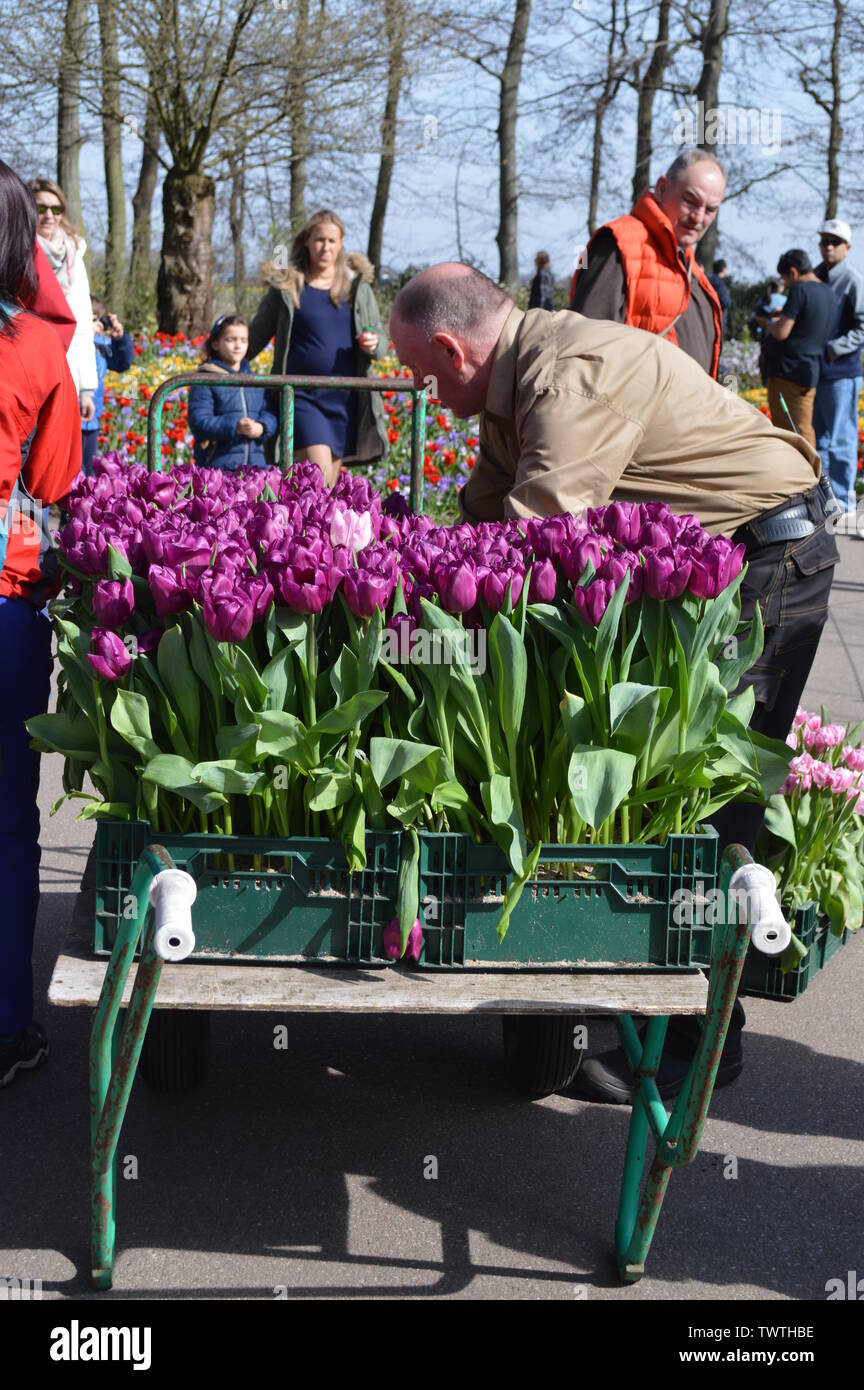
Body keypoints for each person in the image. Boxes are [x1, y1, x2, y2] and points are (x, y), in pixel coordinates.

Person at [390, 262, 840, 1103]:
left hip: (768, 563)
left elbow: (536, 537)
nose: (417, 390)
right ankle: (641, 1002)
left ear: (451, 350)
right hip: (709, 567)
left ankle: (702, 1041)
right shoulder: (510, 385)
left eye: (419, 372)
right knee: (665, 785)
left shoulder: (568, 376)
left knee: (712, 793)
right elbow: (484, 520)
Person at [0, 162, 81, 1086]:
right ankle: (7, 1025)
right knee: (4, 826)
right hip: (5, 601)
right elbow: (56, 482)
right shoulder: (35, 346)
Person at [247, 209, 388, 487]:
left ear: (341, 244)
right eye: (319, 240)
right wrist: (219, 360)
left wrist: (374, 343)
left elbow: (381, 340)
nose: (326, 247)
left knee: (329, 487)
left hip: (344, 397)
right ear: (307, 242)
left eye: (332, 241)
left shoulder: (357, 288)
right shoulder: (287, 287)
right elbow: (258, 333)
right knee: (319, 477)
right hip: (301, 395)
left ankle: (308, 531)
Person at [569, 148, 725, 377]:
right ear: (662, 187)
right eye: (690, 200)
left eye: (710, 210)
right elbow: (584, 355)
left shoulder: (697, 276)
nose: (698, 218)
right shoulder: (616, 244)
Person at [29, 178, 97, 431]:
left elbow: (82, 324)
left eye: (56, 209)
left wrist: (86, 389)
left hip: (65, 369)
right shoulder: (17, 250)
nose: (49, 216)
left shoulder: (73, 255)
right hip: (29, 366)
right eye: (40, 208)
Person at [756, 248, 837, 447]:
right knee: (803, 425)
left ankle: (806, 475)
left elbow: (782, 331)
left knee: (792, 429)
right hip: (810, 369)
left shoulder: (800, 290)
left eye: (785, 278)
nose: (785, 284)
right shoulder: (828, 292)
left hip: (788, 371)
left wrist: (768, 323)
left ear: (793, 272)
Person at [813, 218, 864, 513]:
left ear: (847, 247)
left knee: (841, 439)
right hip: (817, 371)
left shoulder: (854, 280)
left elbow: (861, 327)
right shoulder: (814, 276)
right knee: (820, 439)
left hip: (841, 373)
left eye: (835, 242)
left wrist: (833, 349)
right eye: (824, 241)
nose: (828, 247)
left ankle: (842, 503)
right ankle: (824, 502)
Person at [188, 315, 278, 470]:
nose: (238, 346)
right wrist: (235, 427)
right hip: (219, 467)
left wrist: (262, 427)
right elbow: (199, 421)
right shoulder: (206, 378)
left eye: (243, 340)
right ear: (216, 343)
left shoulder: (256, 379)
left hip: (256, 466)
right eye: (231, 340)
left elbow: (270, 411)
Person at [82, 298, 133, 477]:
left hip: (92, 418)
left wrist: (120, 338)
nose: (96, 324)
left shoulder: (102, 345)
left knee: (89, 472)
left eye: (99, 319)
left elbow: (123, 363)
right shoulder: (73, 341)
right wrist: (85, 334)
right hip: (71, 418)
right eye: (91, 318)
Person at [708, 257, 732, 336]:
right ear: (723, 269)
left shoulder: (708, 280)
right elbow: (726, 302)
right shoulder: (720, 284)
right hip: (718, 320)